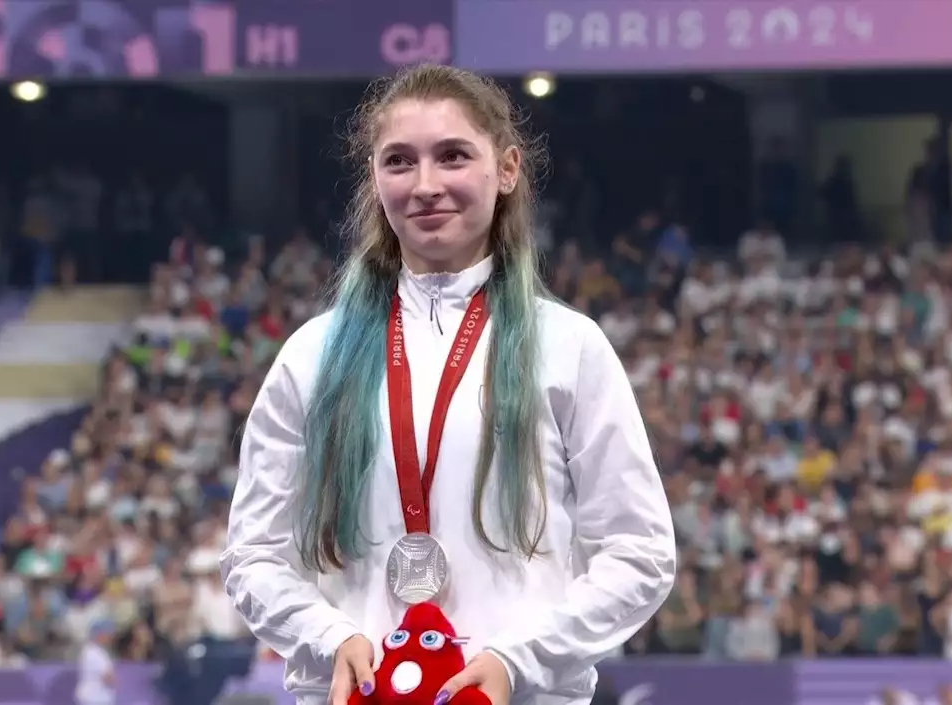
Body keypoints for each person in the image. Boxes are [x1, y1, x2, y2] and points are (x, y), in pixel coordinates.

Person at [221, 64, 676, 705]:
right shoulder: (312, 358)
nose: (426, 185)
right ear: (375, 178)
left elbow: (640, 553)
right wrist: (327, 636)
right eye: (399, 162)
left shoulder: (570, 349)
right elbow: (253, 557)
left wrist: (520, 660)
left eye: (453, 156)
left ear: (507, 169)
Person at [75, 619, 116, 705]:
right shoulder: (96, 653)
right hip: (96, 698)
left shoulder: (87, 650)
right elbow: (107, 678)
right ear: (100, 635)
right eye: (108, 634)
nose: (110, 637)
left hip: (89, 697)